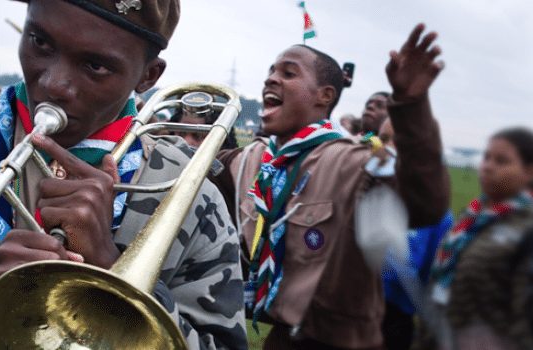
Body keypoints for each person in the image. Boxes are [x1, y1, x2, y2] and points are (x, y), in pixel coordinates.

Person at [0, 0, 246, 349]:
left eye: (95, 65)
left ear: (148, 76)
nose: (53, 84)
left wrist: (116, 274)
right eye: (40, 42)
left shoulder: (192, 197)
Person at [213, 23, 449, 349]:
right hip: (281, 335)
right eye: (270, 71)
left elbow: (425, 204)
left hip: (340, 341)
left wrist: (411, 104)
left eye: (289, 73)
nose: (271, 78)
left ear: (325, 96)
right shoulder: (251, 159)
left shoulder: (352, 162)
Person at [415, 127, 533, 350]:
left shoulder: (526, 227)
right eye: (487, 157)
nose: (488, 166)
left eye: (502, 161)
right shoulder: (473, 217)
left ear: (529, 171)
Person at [377, 118, 453, 350]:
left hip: (392, 318)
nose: (387, 147)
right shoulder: (366, 188)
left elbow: (428, 273)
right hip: (347, 311)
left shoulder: (434, 211)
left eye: (398, 141)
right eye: (383, 140)